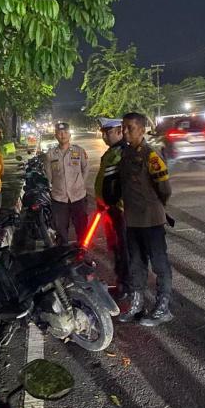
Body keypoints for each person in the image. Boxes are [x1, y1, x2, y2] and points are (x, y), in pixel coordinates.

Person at [115, 112, 173, 327]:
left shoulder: (151, 155)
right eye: (123, 127)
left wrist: (155, 206)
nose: (125, 131)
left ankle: (163, 307)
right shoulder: (126, 153)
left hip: (151, 220)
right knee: (136, 264)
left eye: (130, 128)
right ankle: (137, 303)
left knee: (159, 264)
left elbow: (164, 189)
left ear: (141, 129)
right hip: (132, 220)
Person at [94, 117, 129, 298]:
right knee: (115, 248)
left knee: (124, 250)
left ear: (119, 131)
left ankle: (127, 288)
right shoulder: (112, 152)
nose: (104, 137)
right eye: (103, 133)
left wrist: (116, 204)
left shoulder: (124, 152)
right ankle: (121, 283)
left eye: (108, 133)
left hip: (120, 211)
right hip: (109, 209)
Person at [43, 122, 88, 245]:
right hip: (59, 198)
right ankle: (64, 252)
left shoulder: (79, 151)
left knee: (82, 228)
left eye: (65, 132)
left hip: (78, 197)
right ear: (55, 135)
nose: (63, 135)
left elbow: (85, 170)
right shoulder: (50, 154)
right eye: (60, 133)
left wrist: (80, 185)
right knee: (61, 230)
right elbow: (49, 176)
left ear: (70, 135)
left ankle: (82, 251)